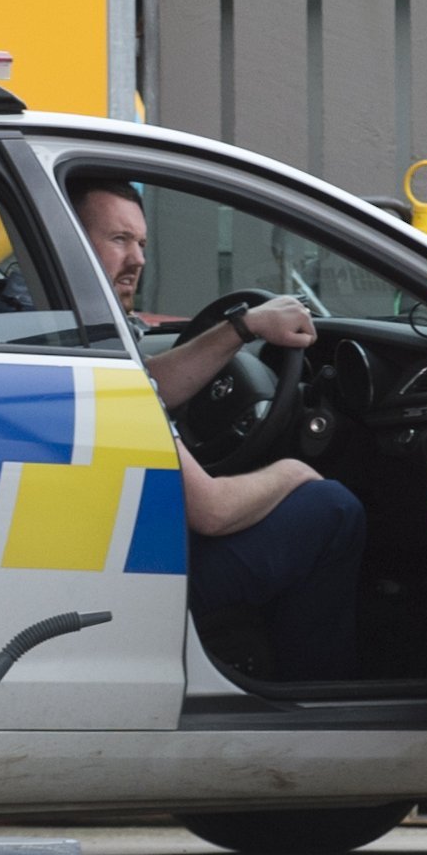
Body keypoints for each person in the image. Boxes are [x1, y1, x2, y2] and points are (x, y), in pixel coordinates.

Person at [69, 180, 363, 682]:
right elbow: (212, 512)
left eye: (141, 243)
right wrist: (293, 470)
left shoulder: (46, 321)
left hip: (91, 555)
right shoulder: (79, 347)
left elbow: (149, 386)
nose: (137, 258)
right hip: (123, 574)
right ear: (71, 240)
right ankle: (313, 693)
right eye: (119, 240)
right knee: (332, 509)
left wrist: (242, 329)